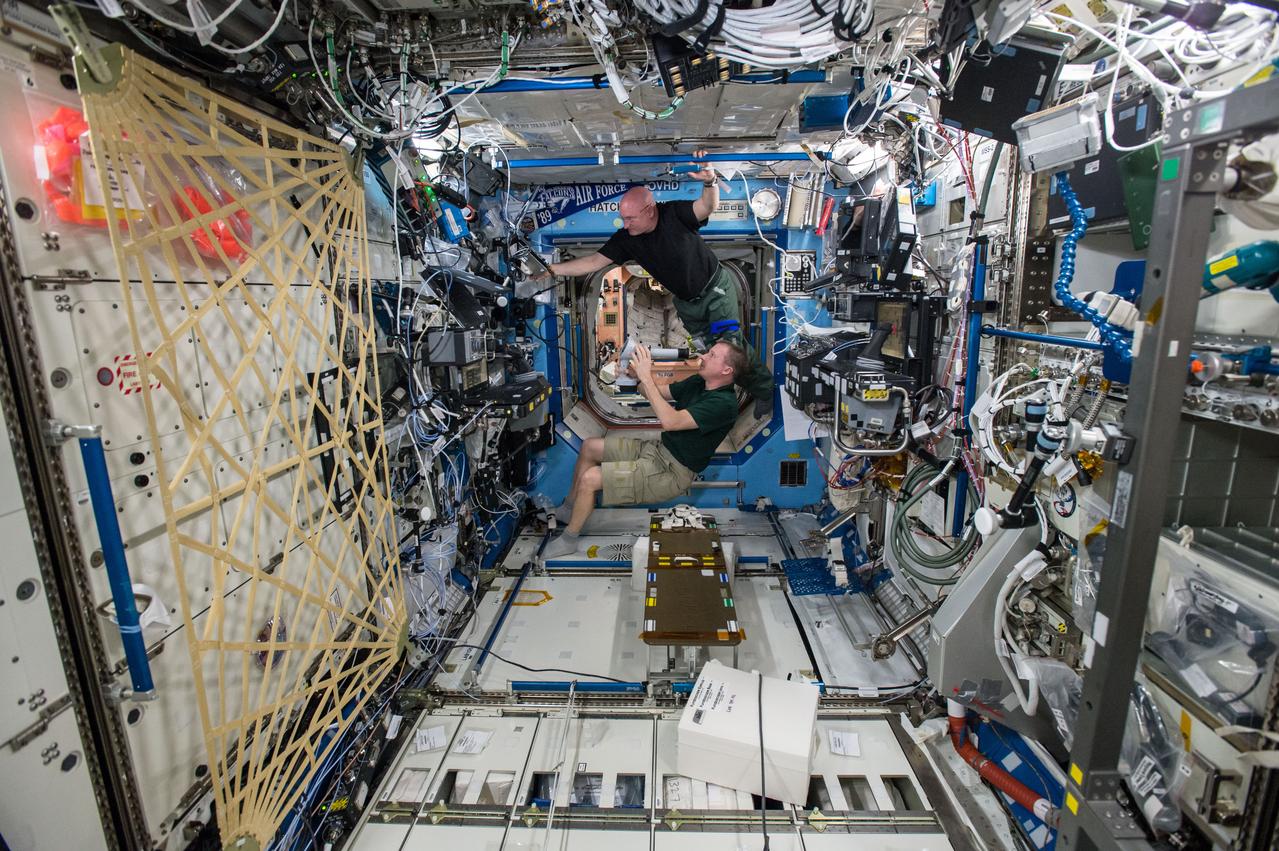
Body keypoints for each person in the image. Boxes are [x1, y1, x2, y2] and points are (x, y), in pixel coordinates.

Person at [541, 151, 774, 416]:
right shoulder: (626, 238)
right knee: (709, 352)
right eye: (624, 218)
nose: (625, 224)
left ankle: (763, 389)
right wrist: (552, 269)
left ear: (650, 209)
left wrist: (709, 182)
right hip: (686, 303)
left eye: (631, 218)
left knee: (730, 347)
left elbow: (707, 206)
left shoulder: (674, 214)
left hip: (714, 291)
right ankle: (720, 396)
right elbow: (593, 262)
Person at [541, 340, 747, 559]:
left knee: (591, 479)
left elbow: (672, 422)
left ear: (727, 370)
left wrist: (647, 375)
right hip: (659, 450)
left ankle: (569, 539)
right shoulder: (699, 382)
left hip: (671, 472)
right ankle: (569, 508)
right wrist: (636, 378)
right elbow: (660, 394)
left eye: (712, 355)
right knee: (590, 447)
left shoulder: (723, 404)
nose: (704, 356)